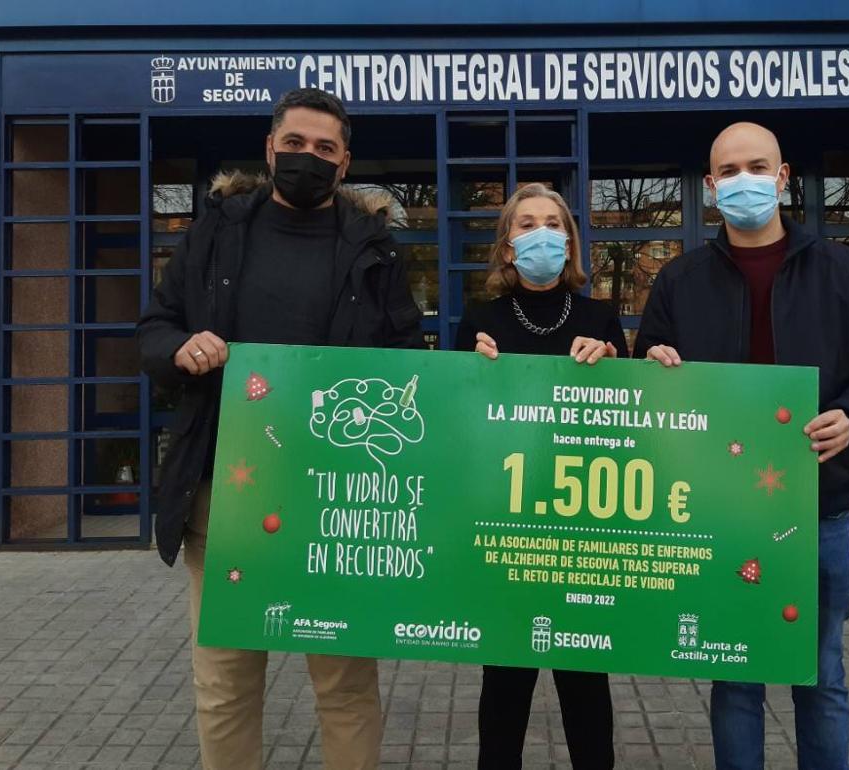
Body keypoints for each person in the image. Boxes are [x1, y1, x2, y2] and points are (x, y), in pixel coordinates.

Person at [136, 87, 423, 770]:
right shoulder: (216, 230)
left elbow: (408, 357)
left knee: (346, 683)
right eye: (294, 144)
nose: (308, 158)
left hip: (335, 497)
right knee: (226, 685)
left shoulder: (374, 248)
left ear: (345, 162)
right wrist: (180, 350)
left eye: (325, 149)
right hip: (225, 490)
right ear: (270, 149)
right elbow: (153, 328)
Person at [635, 123, 849, 770]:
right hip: (722, 519)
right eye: (728, 172)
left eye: (757, 166)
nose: (743, 181)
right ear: (709, 187)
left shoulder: (841, 270)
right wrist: (652, 366)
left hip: (818, 514)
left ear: (783, 177)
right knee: (734, 679)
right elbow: (646, 378)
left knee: (821, 677)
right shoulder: (679, 280)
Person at [456, 183, 624, 769]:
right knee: (502, 695)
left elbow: (634, 426)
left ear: (570, 240)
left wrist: (613, 364)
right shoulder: (479, 319)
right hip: (507, 532)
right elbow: (457, 424)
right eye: (526, 224)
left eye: (553, 223)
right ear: (508, 247)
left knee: (586, 694)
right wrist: (469, 373)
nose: (542, 234)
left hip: (581, 534)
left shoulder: (602, 318)